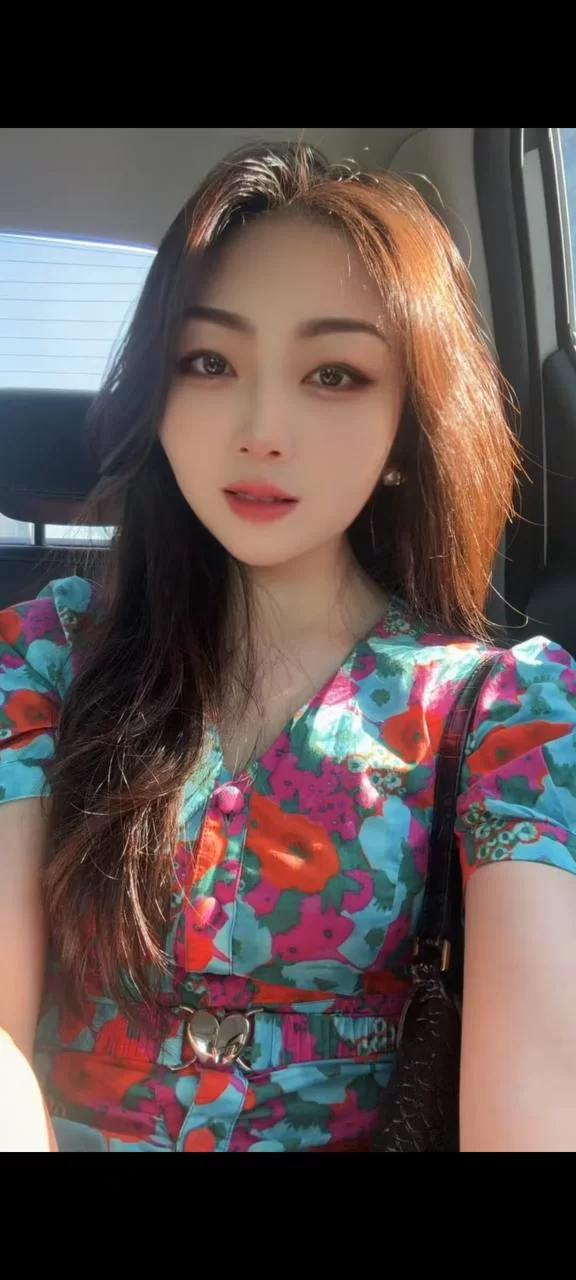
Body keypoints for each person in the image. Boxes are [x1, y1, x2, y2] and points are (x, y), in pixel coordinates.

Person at [2, 142, 576, 1155]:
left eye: (334, 373)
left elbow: (535, 1094)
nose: (262, 429)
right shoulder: (46, 658)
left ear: (407, 424)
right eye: (209, 362)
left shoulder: (504, 713)